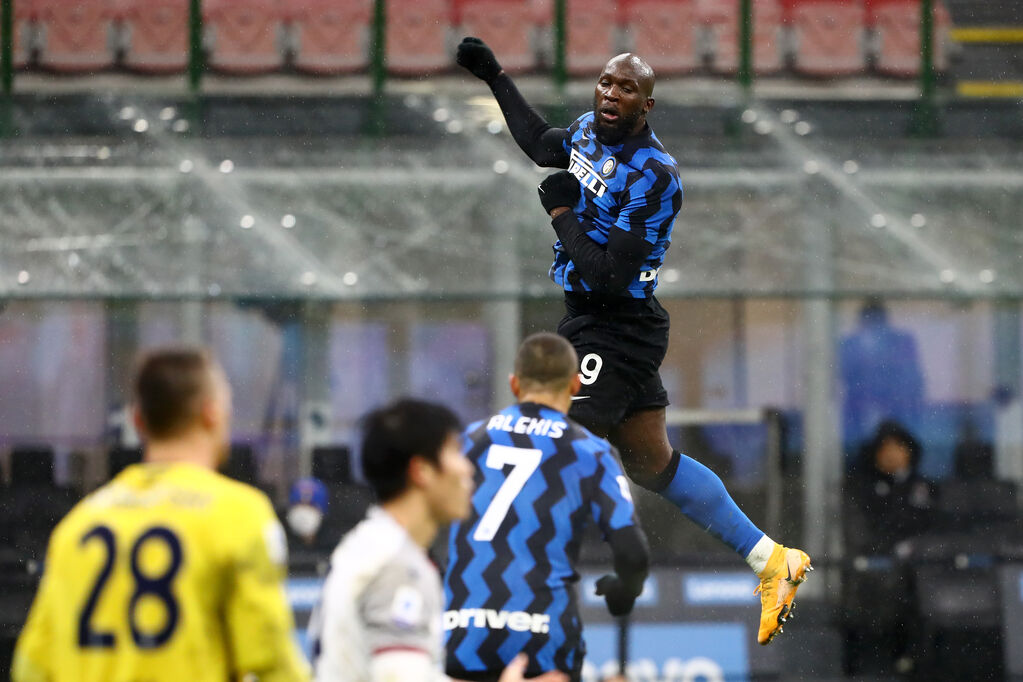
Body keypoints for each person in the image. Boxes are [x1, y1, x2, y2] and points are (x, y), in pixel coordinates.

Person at [455, 37, 811, 644]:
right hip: (604, 320)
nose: (610, 95)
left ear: (647, 105)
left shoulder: (657, 176)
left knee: (561, 442)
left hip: (614, 326)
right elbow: (543, 145)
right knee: (650, 463)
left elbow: (608, 274)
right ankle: (772, 560)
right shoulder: (590, 131)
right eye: (605, 83)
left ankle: (524, 587)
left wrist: (562, 216)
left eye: (626, 89)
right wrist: (495, 77)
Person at [12, 347, 309, 682]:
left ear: (138, 421)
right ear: (211, 414)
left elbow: (31, 667)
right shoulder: (238, 514)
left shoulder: (78, 526)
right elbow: (270, 660)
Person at [308, 398, 567, 682]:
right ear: (422, 471)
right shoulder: (397, 566)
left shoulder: (375, 546)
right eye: (455, 451)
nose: (467, 468)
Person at [444, 333, 650, 681]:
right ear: (574, 384)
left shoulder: (467, 441)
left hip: (463, 634)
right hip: (544, 639)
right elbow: (633, 554)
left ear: (514, 384)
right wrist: (623, 592)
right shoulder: (590, 452)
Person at [839, 298, 925, 456]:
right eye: (869, 318)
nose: (873, 323)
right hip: (859, 408)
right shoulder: (849, 344)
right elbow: (843, 375)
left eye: (876, 318)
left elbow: (913, 375)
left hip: (895, 406)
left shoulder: (902, 341)